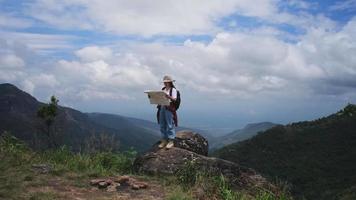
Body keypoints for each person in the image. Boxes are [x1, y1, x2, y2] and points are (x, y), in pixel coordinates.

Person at [157, 75, 178, 149]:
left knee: (169, 124)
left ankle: (171, 141)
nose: (165, 83)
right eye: (164, 82)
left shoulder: (173, 90)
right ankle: (164, 140)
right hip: (162, 107)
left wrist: (168, 96)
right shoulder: (163, 89)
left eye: (167, 82)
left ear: (170, 82)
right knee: (162, 124)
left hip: (169, 107)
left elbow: (174, 100)